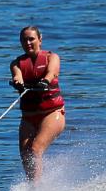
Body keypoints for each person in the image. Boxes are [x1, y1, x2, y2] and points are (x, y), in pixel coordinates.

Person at [10, 25, 65, 181]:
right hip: (28, 117)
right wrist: (18, 82)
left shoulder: (51, 57)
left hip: (52, 114)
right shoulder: (16, 63)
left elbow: (52, 71)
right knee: (25, 154)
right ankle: (34, 189)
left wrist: (45, 81)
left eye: (31, 39)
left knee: (35, 149)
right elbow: (17, 75)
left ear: (40, 40)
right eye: (24, 40)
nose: (27, 43)